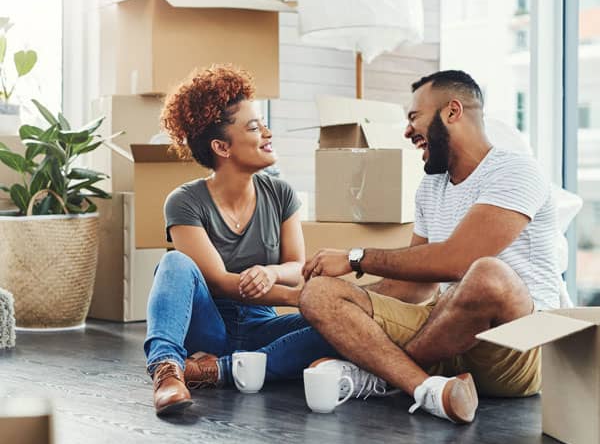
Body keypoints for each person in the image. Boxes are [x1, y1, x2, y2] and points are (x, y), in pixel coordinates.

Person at [299, 70, 560, 424]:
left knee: (487, 274)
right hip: (446, 333)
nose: (407, 131)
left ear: (452, 112)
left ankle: (385, 377)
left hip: (518, 343)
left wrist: (354, 258)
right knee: (319, 294)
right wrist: (335, 299)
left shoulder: (516, 171)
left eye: (413, 118)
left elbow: (458, 262)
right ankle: (429, 389)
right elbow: (412, 287)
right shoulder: (430, 188)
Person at [144, 65, 342, 416]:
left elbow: (297, 267)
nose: (267, 132)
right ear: (222, 146)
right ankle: (167, 370)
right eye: (254, 127)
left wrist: (273, 273)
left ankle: (214, 370)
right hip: (208, 326)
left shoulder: (280, 193)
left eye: (263, 123)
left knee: (344, 325)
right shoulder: (184, 201)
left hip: (261, 325)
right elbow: (219, 283)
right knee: (173, 262)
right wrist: (300, 299)